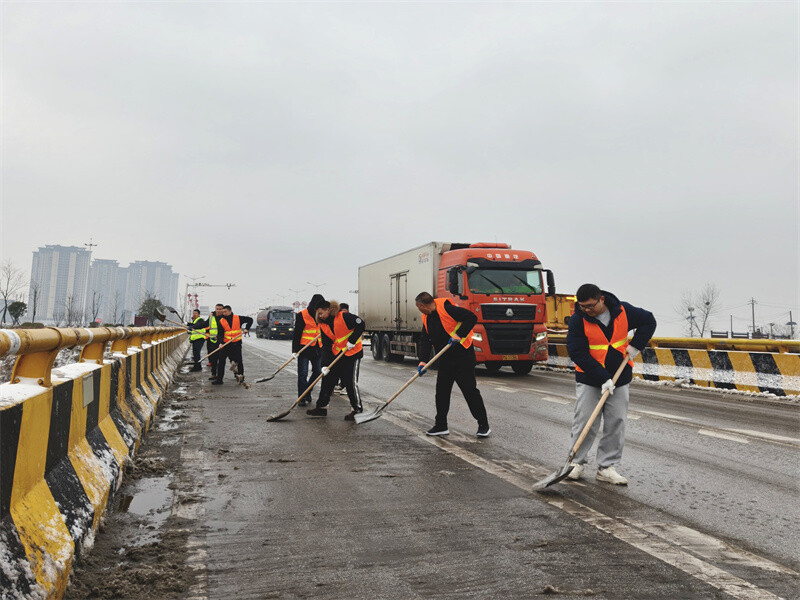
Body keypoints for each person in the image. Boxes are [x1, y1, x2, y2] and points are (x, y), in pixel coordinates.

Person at [565, 284, 656, 485]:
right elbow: (577, 352)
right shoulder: (578, 320)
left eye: (590, 306)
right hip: (590, 378)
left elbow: (649, 321)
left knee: (616, 422)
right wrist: (601, 378)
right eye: (582, 306)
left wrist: (635, 346)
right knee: (585, 421)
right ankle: (576, 463)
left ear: (601, 300)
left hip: (620, 376)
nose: (586, 310)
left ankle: (606, 467)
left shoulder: (623, 311)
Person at [415, 292, 490, 438]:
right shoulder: (426, 317)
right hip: (445, 359)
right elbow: (425, 340)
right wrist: (423, 360)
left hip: (463, 358)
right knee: (441, 393)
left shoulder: (447, 309)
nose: (420, 311)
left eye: (419, 308)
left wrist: (459, 335)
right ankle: (441, 425)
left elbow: (471, 317)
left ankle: (483, 425)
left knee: (470, 392)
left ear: (423, 305)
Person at [306, 300, 365, 420]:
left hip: (352, 353)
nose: (320, 316)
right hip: (337, 354)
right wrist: (325, 365)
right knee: (327, 379)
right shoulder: (323, 325)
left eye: (321, 313)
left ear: (328, 309)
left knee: (349, 382)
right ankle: (322, 408)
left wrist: (352, 341)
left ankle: (357, 409)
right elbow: (326, 346)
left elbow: (361, 324)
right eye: (318, 314)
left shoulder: (344, 316)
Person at [292, 294, 325, 405]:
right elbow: (296, 334)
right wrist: (295, 351)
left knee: (318, 372)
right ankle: (302, 398)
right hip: (304, 349)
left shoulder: (322, 315)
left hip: (318, 349)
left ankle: (308, 391)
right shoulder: (302, 315)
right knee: (303, 374)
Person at [212, 305, 253, 385]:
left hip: (236, 344)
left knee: (239, 361)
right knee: (221, 361)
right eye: (223, 312)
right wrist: (220, 343)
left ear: (230, 311)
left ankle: (241, 378)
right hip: (226, 344)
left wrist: (246, 328)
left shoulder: (238, 318)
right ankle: (219, 379)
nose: (223, 313)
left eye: (225, 311)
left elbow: (250, 320)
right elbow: (220, 334)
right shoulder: (222, 321)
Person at [206, 303, 224, 380]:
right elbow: (204, 324)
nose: (219, 310)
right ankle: (213, 374)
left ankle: (221, 376)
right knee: (214, 359)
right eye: (217, 309)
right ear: (215, 309)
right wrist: (193, 327)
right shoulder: (211, 317)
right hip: (213, 341)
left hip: (223, 342)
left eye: (220, 309)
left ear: (223, 310)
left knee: (222, 360)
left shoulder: (226, 317)